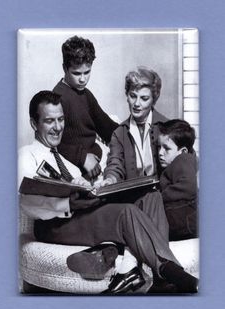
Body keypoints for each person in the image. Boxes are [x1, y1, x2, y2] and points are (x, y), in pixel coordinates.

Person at [19, 90, 198, 294]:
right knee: (125, 213)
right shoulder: (26, 156)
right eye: (50, 121)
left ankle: (140, 272)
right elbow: (26, 202)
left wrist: (94, 188)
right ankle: (168, 271)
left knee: (151, 197)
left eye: (61, 119)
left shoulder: (68, 162)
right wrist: (67, 204)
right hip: (53, 226)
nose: (58, 127)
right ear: (34, 124)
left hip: (80, 215)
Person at [53, 35, 118, 180]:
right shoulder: (57, 97)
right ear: (65, 68)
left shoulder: (85, 94)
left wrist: (131, 134)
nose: (83, 79)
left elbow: (106, 126)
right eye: (76, 73)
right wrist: (82, 158)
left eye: (87, 72)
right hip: (77, 167)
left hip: (96, 159)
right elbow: (52, 142)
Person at [102, 67, 168, 187]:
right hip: (132, 198)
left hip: (163, 195)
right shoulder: (119, 133)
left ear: (153, 100)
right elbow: (115, 163)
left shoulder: (167, 127)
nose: (137, 103)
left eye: (144, 98)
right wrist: (110, 180)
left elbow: (187, 160)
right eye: (133, 96)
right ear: (127, 96)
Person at [158, 119, 198, 241]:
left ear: (183, 151)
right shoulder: (177, 163)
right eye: (159, 147)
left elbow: (189, 186)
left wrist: (159, 197)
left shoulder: (183, 159)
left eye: (166, 148)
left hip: (186, 220)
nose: (160, 153)